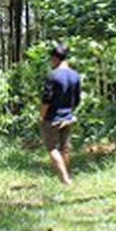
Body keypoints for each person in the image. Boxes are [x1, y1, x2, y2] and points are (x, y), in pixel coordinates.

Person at [40, 43, 80, 184]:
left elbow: (47, 99)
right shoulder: (75, 75)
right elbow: (77, 99)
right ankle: (64, 175)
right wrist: (70, 112)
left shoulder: (52, 75)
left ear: (55, 58)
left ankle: (64, 178)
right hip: (68, 116)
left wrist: (42, 116)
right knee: (64, 148)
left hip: (52, 117)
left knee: (52, 148)